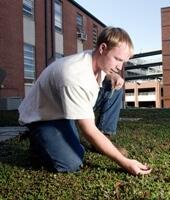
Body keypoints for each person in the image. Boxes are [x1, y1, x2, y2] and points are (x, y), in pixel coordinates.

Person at [18, 27, 152, 175]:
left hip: (62, 107)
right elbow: (88, 129)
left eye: (123, 62)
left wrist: (112, 76)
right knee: (72, 162)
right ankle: (38, 142)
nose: (120, 67)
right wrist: (125, 163)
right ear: (102, 48)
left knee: (116, 87)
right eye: (118, 59)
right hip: (43, 116)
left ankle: (103, 139)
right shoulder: (74, 75)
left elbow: (101, 72)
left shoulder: (95, 57)